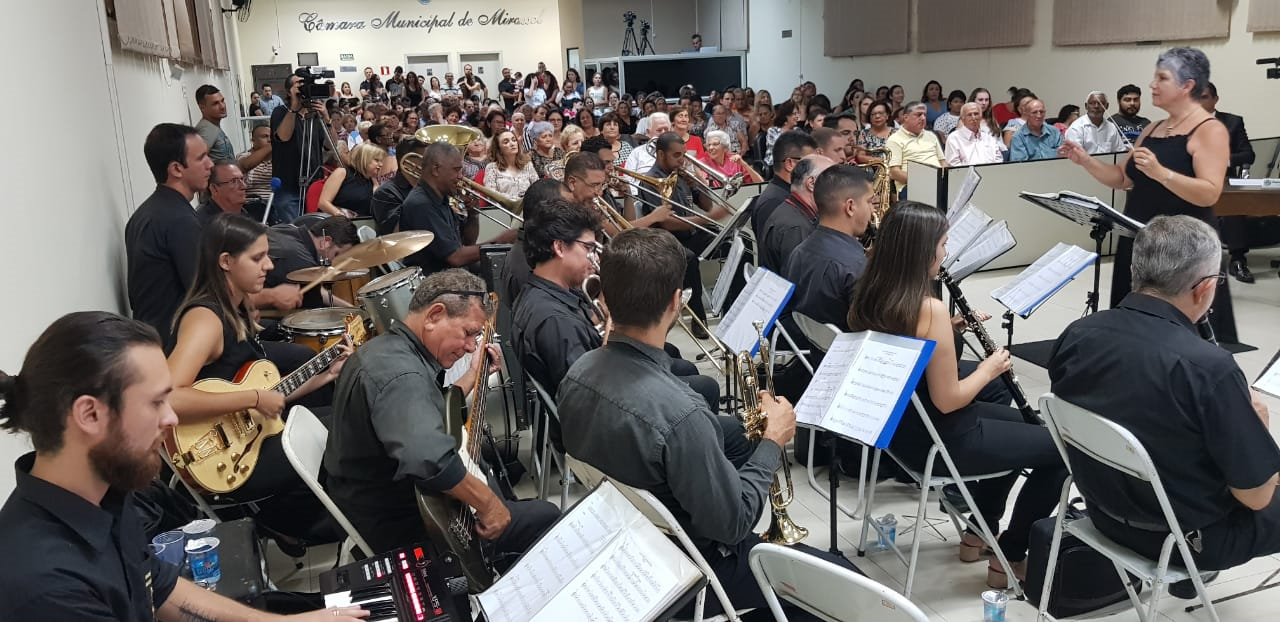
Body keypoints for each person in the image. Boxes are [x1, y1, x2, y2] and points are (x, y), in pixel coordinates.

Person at [556, 228, 861, 620]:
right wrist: (772, 440)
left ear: (604, 296)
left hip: (630, 538)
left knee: (730, 435)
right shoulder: (683, 414)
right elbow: (732, 525)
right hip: (690, 565)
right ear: (675, 302)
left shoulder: (578, 372)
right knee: (847, 587)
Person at [0, 312, 369, 621]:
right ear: (90, 413)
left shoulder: (103, 495)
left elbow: (161, 588)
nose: (173, 418)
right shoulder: (45, 587)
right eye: (157, 402)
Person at [1048, 215, 1279, 597]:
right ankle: (1192, 575)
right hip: (1187, 539)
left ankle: (1189, 582)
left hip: (1102, 515)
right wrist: (1259, 430)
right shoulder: (1209, 367)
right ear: (1204, 289)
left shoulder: (1078, 334)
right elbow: (1256, 497)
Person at [848, 201, 1068, 588]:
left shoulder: (871, 291)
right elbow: (949, 399)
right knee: (1062, 450)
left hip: (902, 432)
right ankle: (1011, 555)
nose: (945, 253)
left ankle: (977, 533)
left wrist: (949, 335)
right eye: (943, 244)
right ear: (922, 250)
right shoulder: (928, 307)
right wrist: (989, 368)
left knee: (1027, 429)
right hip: (941, 438)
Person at [325, 269, 560, 560]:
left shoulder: (386, 350)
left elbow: (428, 408)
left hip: (378, 501)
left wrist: (474, 375)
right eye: (468, 332)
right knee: (545, 515)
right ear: (435, 315)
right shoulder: (402, 375)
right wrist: (487, 504)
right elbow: (428, 459)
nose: (472, 346)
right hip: (404, 526)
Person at [167, 214, 345, 538]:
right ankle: (297, 526)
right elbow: (168, 397)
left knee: (345, 417)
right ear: (225, 262)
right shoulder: (205, 319)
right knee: (348, 431)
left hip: (251, 436)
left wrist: (326, 376)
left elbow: (270, 397)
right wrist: (254, 397)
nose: (268, 266)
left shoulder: (236, 311)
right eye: (257, 258)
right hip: (227, 459)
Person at [1060, 47, 1231, 330]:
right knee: (1132, 325)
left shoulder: (1209, 129)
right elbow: (1122, 178)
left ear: (1187, 85)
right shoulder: (1152, 128)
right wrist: (1085, 160)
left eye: (1162, 78)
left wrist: (1161, 173)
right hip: (1139, 237)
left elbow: (1210, 192)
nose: (1152, 85)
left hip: (1180, 247)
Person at [126, 123, 212, 345]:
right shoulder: (180, 220)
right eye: (201, 158)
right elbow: (204, 294)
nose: (210, 164)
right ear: (176, 169)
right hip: (177, 342)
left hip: (152, 337)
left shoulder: (143, 214)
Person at [782, 164, 876, 328]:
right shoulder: (856, 267)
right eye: (869, 202)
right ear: (850, 207)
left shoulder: (799, 251)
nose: (872, 209)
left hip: (809, 348)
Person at [400, 142, 517, 274]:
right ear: (436, 170)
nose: (461, 176)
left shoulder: (441, 197)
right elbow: (456, 257)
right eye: (456, 170)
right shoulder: (421, 204)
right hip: (436, 283)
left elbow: (468, 242)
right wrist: (500, 242)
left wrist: (473, 215)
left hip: (452, 275)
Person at [1200, 82, 1258, 283]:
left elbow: (1248, 154)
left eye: (1204, 96)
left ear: (1215, 99)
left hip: (1224, 180)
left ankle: (1238, 260)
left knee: (1234, 205)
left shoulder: (1232, 122)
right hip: (1191, 180)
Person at [264, 215, 360, 309]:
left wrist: (350, 308)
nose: (334, 263)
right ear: (326, 242)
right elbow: (315, 313)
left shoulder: (286, 229)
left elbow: (315, 290)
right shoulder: (303, 262)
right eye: (336, 255)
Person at [271, 74, 329, 223]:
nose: (303, 87)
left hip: (315, 184)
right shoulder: (281, 111)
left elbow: (330, 146)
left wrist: (326, 119)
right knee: (297, 234)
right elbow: (283, 137)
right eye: (299, 84)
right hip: (288, 186)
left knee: (317, 233)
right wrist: (294, 108)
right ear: (289, 91)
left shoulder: (315, 114)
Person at [760, 155, 834, 272]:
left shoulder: (791, 213)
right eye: (833, 179)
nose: (839, 187)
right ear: (811, 183)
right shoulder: (796, 227)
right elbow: (803, 282)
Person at [752, 130, 818, 239]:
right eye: (809, 163)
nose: (815, 169)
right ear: (790, 164)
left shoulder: (784, 194)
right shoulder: (773, 202)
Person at [368, 137, 428, 235]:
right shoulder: (385, 193)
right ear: (408, 161)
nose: (432, 165)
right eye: (425, 159)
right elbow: (397, 234)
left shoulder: (430, 186)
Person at [887, 102, 946, 198]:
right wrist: (921, 182)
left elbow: (943, 162)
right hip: (910, 186)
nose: (923, 118)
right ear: (906, 117)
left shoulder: (931, 135)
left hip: (937, 183)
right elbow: (894, 172)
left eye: (925, 115)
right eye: (918, 115)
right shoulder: (895, 139)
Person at [317, 143, 384, 218]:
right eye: (377, 160)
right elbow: (323, 203)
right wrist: (342, 216)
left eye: (381, 161)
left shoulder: (372, 181)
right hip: (338, 223)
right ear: (364, 159)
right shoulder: (342, 173)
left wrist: (376, 187)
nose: (381, 164)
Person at [484, 129, 540, 202]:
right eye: (506, 142)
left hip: (528, 208)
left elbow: (538, 188)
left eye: (514, 140)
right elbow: (491, 195)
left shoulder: (527, 164)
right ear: (499, 149)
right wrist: (515, 200)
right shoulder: (492, 168)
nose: (512, 144)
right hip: (503, 210)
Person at [1008, 98, 1063, 162]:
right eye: (1034, 112)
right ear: (1026, 114)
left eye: (1041, 112)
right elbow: (1020, 166)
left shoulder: (1055, 132)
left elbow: (1063, 157)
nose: (1039, 116)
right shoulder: (1018, 137)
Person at [194, 85, 236, 164]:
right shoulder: (206, 129)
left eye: (222, 101)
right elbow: (195, 161)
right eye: (215, 103)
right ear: (202, 108)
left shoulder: (213, 126)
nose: (222, 106)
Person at [239, 123, 274, 200]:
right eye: (264, 136)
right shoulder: (245, 156)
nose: (269, 140)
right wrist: (272, 145)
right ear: (253, 140)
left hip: (275, 204)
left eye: (271, 136)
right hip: (250, 204)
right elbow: (245, 165)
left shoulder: (280, 158)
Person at [856, 100, 894, 164]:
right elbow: (860, 157)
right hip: (871, 169)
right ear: (870, 117)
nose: (877, 116)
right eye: (873, 114)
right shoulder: (864, 134)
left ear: (887, 115)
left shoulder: (896, 133)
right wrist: (883, 161)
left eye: (880, 113)